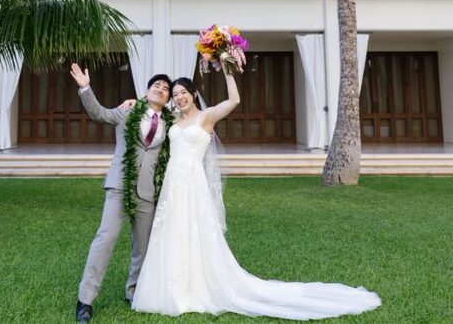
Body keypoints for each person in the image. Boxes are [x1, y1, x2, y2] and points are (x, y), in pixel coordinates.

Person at [131, 65, 382, 320]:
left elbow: (234, 100)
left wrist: (227, 68)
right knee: (172, 230)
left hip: (194, 183)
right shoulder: (173, 119)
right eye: (175, 95)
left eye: (183, 92)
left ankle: (197, 288)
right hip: (173, 184)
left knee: (195, 232)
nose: (178, 97)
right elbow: (152, 110)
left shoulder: (206, 116)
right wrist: (135, 101)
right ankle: (170, 288)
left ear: (194, 94)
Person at [70, 63, 173, 323]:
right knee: (104, 240)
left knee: (142, 247)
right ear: (146, 91)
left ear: (169, 99)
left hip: (148, 193)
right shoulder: (127, 111)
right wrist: (85, 88)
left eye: (165, 89)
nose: (160, 89)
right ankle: (85, 300)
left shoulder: (171, 125)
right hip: (119, 186)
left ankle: (134, 292)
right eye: (156, 85)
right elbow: (99, 114)